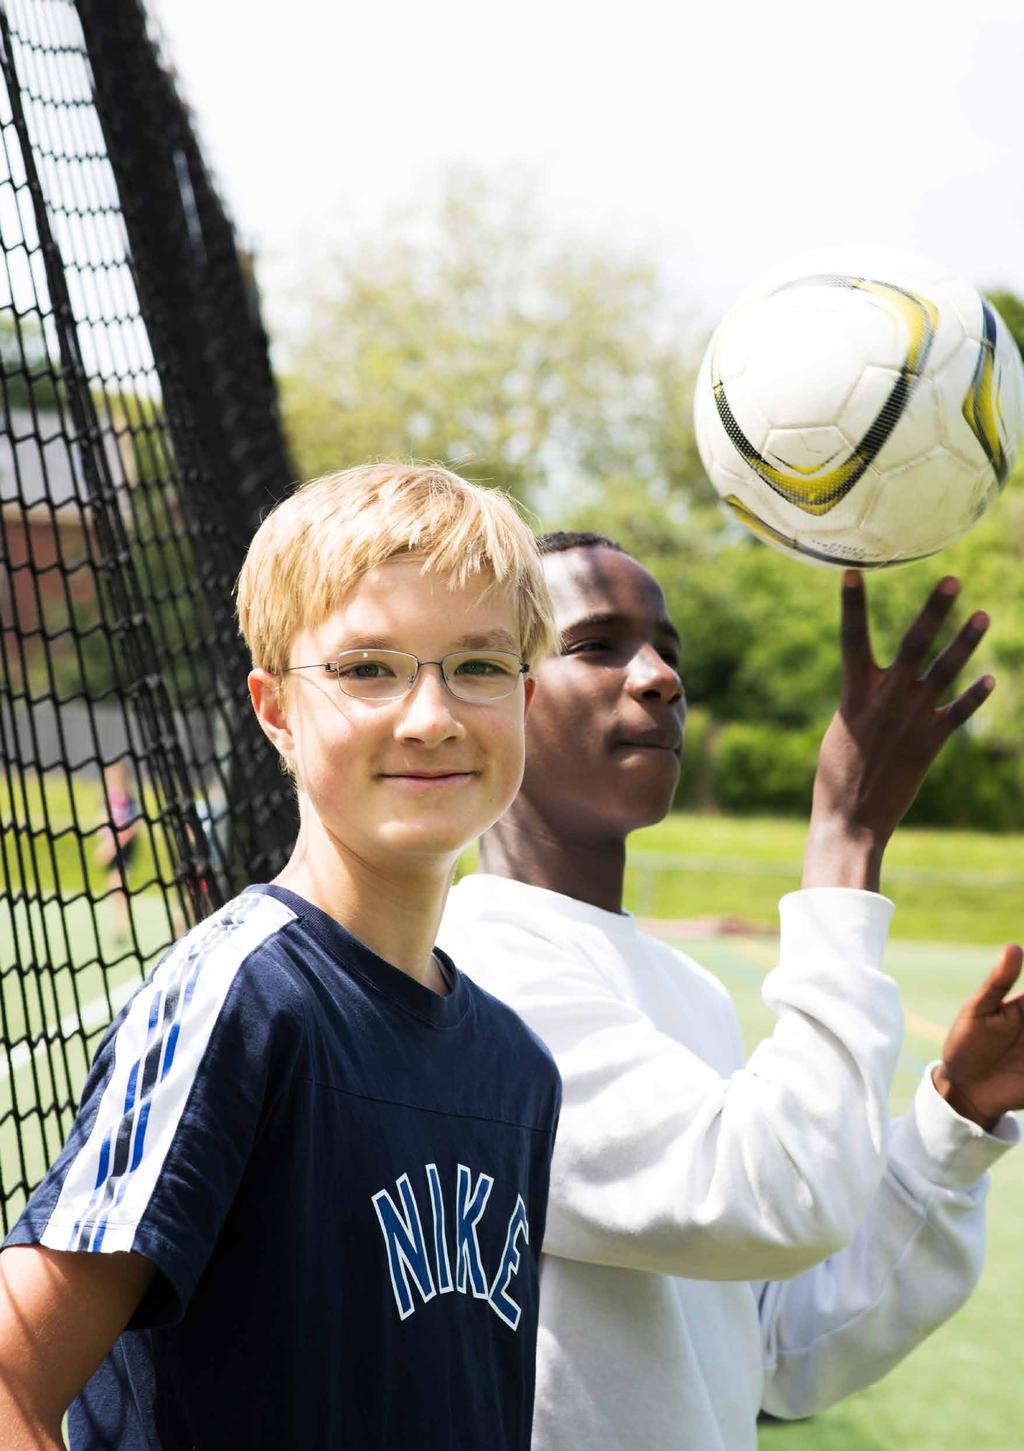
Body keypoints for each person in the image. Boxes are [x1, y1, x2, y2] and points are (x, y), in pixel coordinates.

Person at [0, 464, 563, 1451]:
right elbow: (11, 1378)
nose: (431, 714)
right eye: (366, 667)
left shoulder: (517, 1065)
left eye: (478, 664)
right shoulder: (244, 1000)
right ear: (273, 711)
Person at [438, 530, 1022, 1451]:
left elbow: (781, 1345)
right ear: (487, 695)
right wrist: (846, 837)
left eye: (668, 649)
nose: (660, 676)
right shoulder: (472, 976)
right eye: (597, 644)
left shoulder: (692, 990)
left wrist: (956, 1118)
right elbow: (779, 1194)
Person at [94, 760, 140, 943]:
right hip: (111, 848)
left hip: (123, 850)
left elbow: (131, 828)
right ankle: (118, 926)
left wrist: (113, 847)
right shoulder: (107, 798)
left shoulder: (128, 799)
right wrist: (104, 845)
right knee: (114, 890)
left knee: (120, 887)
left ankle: (123, 927)